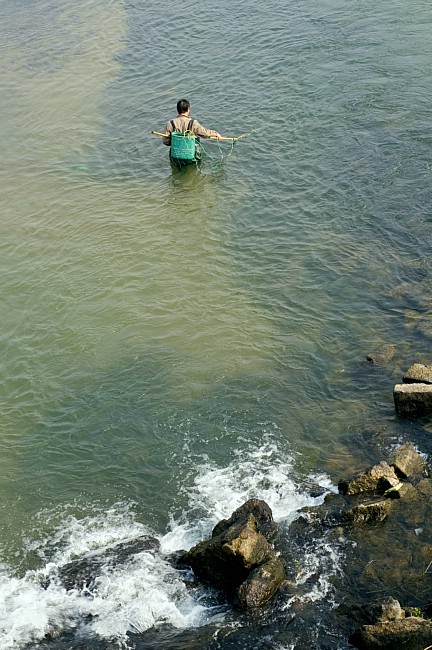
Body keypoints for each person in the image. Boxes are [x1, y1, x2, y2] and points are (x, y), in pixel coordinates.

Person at [162, 99, 222, 166]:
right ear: (188, 110)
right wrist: (216, 134)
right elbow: (206, 133)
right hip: (191, 156)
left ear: (177, 110)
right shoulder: (193, 123)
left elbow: (165, 141)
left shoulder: (170, 124)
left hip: (176, 156)